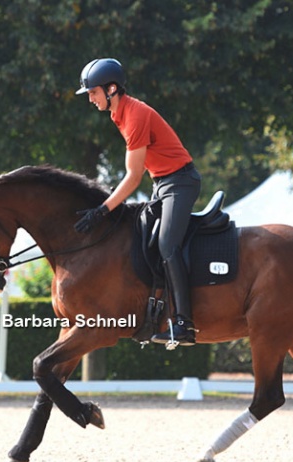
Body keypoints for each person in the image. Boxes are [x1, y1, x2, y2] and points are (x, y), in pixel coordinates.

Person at [74, 58, 201, 346]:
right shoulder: (119, 114)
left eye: (93, 92)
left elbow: (133, 177)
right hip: (163, 184)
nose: (91, 99)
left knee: (168, 244)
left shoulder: (135, 116)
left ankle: (183, 324)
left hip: (180, 183)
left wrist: (102, 209)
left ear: (112, 89)